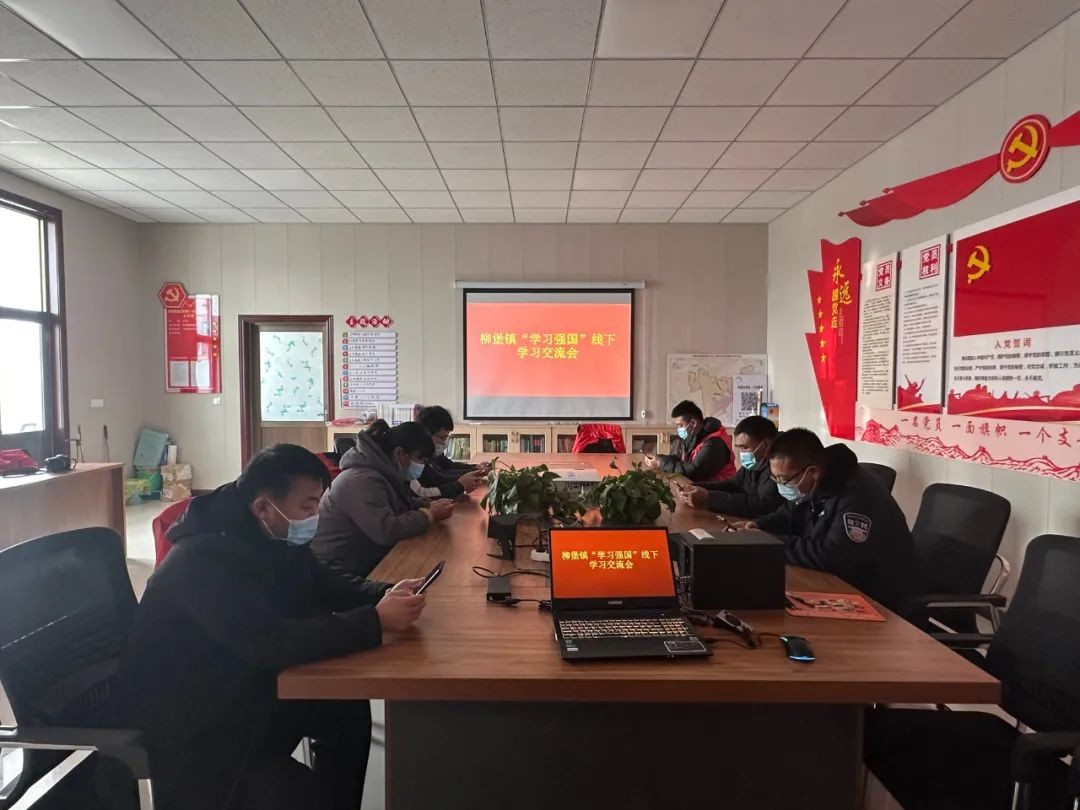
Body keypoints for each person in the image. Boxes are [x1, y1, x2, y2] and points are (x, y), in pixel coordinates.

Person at [111, 444, 428, 810]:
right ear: (263, 506)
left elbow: (318, 580)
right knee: (303, 793)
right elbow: (271, 642)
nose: (314, 517)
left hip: (237, 682)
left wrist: (383, 593)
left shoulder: (265, 531)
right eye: (308, 507)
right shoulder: (204, 559)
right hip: (195, 722)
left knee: (345, 711)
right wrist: (374, 621)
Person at [746, 428, 925, 615]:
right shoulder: (820, 480)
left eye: (784, 480)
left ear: (812, 472)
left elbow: (832, 556)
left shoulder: (857, 497)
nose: (781, 486)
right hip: (838, 580)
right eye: (775, 478)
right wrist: (760, 525)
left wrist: (769, 542)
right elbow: (791, 511)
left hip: (879, 595)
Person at [312, 420, 455, 581]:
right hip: (341, 573)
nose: (422, 465)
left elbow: (395, 504)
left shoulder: (381, 472)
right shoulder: (362, 479)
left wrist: (426, 504)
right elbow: (386, 530)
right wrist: (429, 515)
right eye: (420, 459)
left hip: (362, 560)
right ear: (400, 453)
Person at [680, 415, 784, 518]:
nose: (741, 453)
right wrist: (696, 487)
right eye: (739, 447)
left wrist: (708, 498)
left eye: (745, 447)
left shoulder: (780, 467)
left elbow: (762, 505)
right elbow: (732, 485)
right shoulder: (755, 462)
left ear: (765, 445)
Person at [643, 400, 734, 483]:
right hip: (699, 488)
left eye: (681, 425)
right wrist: (660, 459)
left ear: (693, 423)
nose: (678, 429)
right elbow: (680, 459)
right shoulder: (694, 436)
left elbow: (694, 471)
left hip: (717, 491)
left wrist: (661, 464)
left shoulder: (715, 443)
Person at [415, 405, 487, 499]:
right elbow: (439, 478)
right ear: (427, 434)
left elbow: (448, 465)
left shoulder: (433, 452)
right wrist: (463, 482)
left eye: (447, 437)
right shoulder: (417, 457)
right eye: (442, 437)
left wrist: (475, 469)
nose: (444, 443)